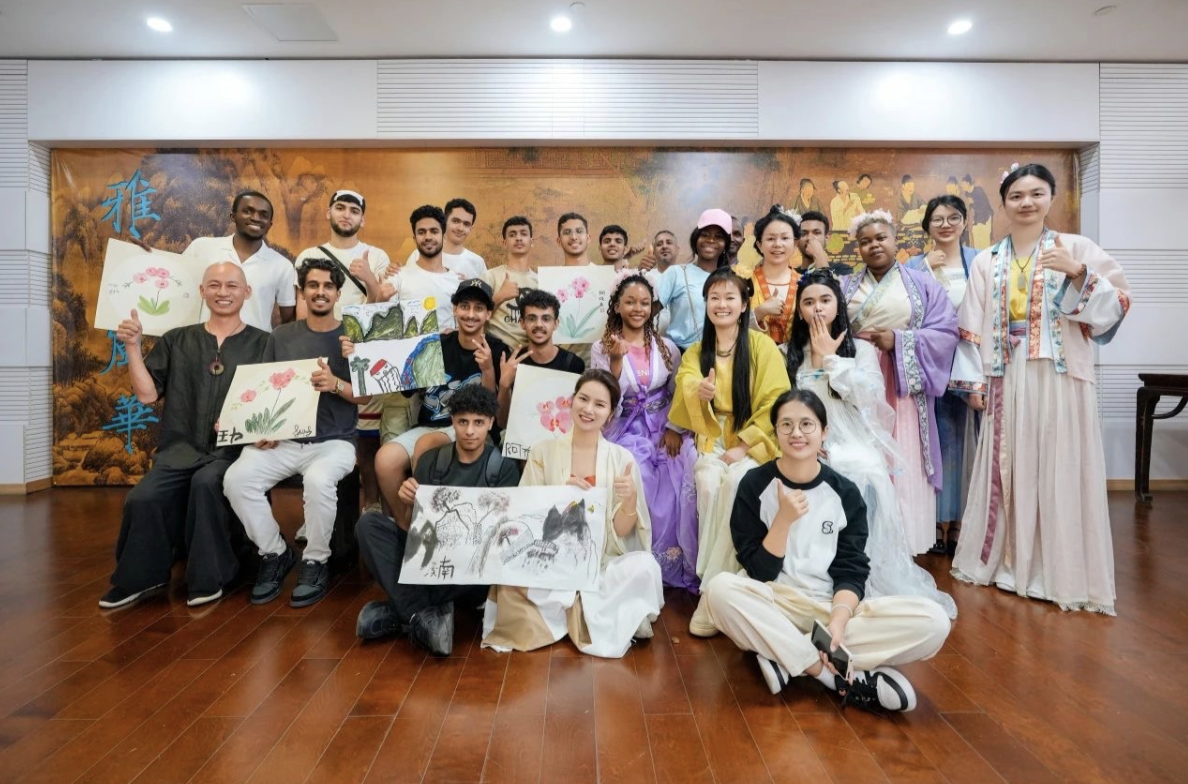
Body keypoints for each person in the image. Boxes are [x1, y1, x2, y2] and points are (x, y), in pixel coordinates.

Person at [950, 163, 1130, 615]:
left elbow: (1116, 305)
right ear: (1003, 203)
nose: (1026, 202)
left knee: (1059, 463)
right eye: (1016, 195)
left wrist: (1078, 273)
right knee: (1012, 465)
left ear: (1050, 197)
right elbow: (971, 325)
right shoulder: (988, 260)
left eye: (1036, 193)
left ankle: (1059, 571)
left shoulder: (1077, 247)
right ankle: (1010, 564)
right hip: (1007, 376)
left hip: (1060, 376)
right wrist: (975, 383)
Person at [701, 389, 951, 712]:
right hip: (774, 603)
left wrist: (838, 623)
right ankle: (830, 675)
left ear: (824, 432)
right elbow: (760, 572)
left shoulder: (846, 493)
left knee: (934, 622)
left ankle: (783, 653)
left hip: (828, 610)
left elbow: (851, 570)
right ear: (776, 432)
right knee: (719, 591)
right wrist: (783, 521)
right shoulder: (753, 484)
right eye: (786, 425)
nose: (796, 433)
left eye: (807, 424)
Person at [785, 270, 957, 618]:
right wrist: (805, 439)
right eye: (808, 302)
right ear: (799, 310)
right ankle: (812, 571)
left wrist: (831, 360)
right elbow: (783, 405)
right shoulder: (788, 353)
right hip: (803, 439)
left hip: (850, 435)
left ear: (838, 305)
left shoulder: (860, 349)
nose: (817, 308)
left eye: (825, 300)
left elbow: (872, 398)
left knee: (861, 468)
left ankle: (859, 570)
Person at [98, 262, 269, 609]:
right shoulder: (177, 339)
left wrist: (258, 429)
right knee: (143, 498)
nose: (223, 292)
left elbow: (276, 398)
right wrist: (133, 347)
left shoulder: (265, 343)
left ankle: (209, 577)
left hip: (233, 452)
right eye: (215, 285)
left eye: (232, 286)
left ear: (247, 292)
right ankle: (141, 578)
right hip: (180, 449)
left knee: (207, 483)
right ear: (202, 291)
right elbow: (147, 394)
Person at [482, 369, 664, 658]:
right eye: (584, 399)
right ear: (572, 400)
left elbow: (621, 532)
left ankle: (586, 608)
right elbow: (526, 515)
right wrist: (561, 497)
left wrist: (629, 501)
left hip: (600, 562)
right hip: (551, 560)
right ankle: (609, 612)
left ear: (610, 415)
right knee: (509, 576)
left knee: (645, 567)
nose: (589, 409)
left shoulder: (622, 458)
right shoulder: (543, 452)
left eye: (599, 404)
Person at [222, 259, 367, 608]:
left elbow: (365, 396)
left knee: (318, 480)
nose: (320, 292)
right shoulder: (281, 336)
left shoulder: (354, 336)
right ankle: (275, 552)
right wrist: (264, 429)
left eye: (328, 286)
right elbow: (264, 389)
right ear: (302, 292)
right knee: (236, 479)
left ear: (338, 293)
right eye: (313, 285)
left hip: (335, 441)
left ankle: (315, 560)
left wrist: (336, 383)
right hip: (285, 439)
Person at [668, 267, 791, 635]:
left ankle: (712, 591)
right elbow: (686, 380)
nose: (721, 304)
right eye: (714, 298)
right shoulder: (697, 351)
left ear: (744, 305)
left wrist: (743, 446)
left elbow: (776, 400)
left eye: (729, 297)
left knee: (737, 483)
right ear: (706, 303)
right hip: (710, 436)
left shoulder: (762, 347)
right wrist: (699, 392)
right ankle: (720, 582)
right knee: (707, 483)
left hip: (753, 437)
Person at [355, 385, 521, 655]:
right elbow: (413, 527)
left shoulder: (503, 468)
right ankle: (421, 616)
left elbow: (501, 541)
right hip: (430, 557)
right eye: (463, 422)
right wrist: (408, 500)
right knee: (368, 525)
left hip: (472, 569)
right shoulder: (432, 461)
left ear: (491, 423)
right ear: (452, 421)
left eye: (478, 423)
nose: (470, 431)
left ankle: (402, 612)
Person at [841, 211, 958, 556]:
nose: (874, 245)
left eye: (881, 238)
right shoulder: (844, 286)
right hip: (859, 378)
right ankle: (864, 542)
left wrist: (900, 340)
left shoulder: (923, 284)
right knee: (863, 454)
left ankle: (904, 542)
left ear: (895, 241)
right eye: (865, 241)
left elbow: (946, 331)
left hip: (903, 381)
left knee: (902, 453)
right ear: (858, 248)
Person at [365, 278, 509, 527]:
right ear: (454, 309)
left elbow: (495, 413)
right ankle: (407, 528)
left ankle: (428, 526)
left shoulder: (498, 350)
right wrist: (380, 355)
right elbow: (408, 389)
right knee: (385, 460)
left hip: (468, 427)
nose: (470, 314)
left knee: (426, 445)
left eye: (478, 308)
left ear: (488, 314)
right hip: (429, 424)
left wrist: (488, 369)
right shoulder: (436, 344)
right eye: (464, 306)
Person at [592, 274, 697, 592]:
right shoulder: (602, 347)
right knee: (638, 475)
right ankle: (637, 562)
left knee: (684, 466)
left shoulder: (667, 347)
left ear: (652, 307)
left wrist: (675, 428)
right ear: (617, 306)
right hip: (625, 426)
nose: (637, 308)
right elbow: (603, 395)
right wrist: (616, 361)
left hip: (665, 424)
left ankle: (673, 561)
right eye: (630, 302)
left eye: (644, 302)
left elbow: (678, 391)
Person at [293, 189, 392, 513]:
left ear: (362, 219)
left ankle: (370, 506)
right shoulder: (308, 255)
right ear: (329, 213)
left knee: (366, 439)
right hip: (320, 353)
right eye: (340, 207)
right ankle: (317, 512)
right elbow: (301, 309)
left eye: (353, 210)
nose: (346, 214)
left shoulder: (376, 255)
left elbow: (380, 311)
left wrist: (369, 279)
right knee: (318, 436)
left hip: (359, 353)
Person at [906, 196, 980, 555]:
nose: (946, 224)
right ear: (927, 226)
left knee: (968, 442)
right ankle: (933, 520)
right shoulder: (913, 265)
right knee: (933, 440)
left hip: (970, 361)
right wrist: (924, 270)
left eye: (953, 217)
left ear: (965, 222)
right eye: (937, 219)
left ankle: (963, 521)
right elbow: (905, 309)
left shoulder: (979, 261)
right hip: (928, 363)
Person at [376, 205, 465, 455]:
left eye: (434, 231)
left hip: (444, 383)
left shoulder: (458, 282)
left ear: (443, 234)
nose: (428, 237)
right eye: (422, 232)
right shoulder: (397, 277)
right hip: (402, 385)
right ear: (414, 236)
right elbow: (378, 328)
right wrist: (380, 300)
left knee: (432, 458)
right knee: (392, 452)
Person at [182, 191, 296, 332]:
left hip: (257, 345)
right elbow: (175, 287)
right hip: (202, 342)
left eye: (263, 215)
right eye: (248, 211)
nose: (256, 218)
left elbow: (288, 319)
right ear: (233, 216)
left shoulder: (282, 266)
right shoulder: (201, 247)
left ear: (270, 224)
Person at [496, 288, 585, 426]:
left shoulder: (573, 364)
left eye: (546, 319)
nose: (538, 324)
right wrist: (504, 385)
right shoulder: (512, 364)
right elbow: (502, 422)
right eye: (532, 318)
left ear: (556, 324)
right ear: (522, 323)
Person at [655, 208, 732, 351]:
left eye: (718, 236)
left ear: (726, 244)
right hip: (679, 355)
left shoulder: (731, 280)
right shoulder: (676, 273)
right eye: (705, 234)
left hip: (720, 356)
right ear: (696, 238)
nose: (711, 240)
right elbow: (646, 312)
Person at [745, 206, 800, 345]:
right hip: (752, 355)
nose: (777, 244)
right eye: (770, 239)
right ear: (759, 245)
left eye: (785, 238)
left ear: (795, 244)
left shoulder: (804, 283)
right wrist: (760, 312)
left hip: (795, 357)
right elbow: (730, 326)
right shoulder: (743, 281)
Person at [484, 215, 536, 349]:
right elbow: (475, 318)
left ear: (531, 241)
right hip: (496, 351)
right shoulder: (490, 276)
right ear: (504, 243)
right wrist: (500, 297)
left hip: (532, 353)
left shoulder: (540, 281)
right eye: (512, 234)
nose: (518, 238)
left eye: (523, 234)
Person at [404, 197, 486, 279]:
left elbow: (485, 287)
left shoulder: (477, 262)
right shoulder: (418, 256)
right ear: (444, 222)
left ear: (471, 228)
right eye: (455, 221)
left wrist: (468, 285)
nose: (460, 228)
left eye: (466, 224)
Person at [797, 211, 854, 276]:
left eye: (816, 233)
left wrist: (818, 255)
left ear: (826, 238)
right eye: (803, 233)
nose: (810, 238)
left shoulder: (842, 270)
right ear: (797, 241)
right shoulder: (791, 275)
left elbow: (827, 282)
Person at [961, 174, 994, 249]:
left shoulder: (978, 190)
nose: (962, 187)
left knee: (984, 243)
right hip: (977, 219)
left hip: (985, 218)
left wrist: (973, 202)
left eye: (963, 184)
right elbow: (971, 208)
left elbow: (984, 206)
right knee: (976, 242)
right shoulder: (967, 193)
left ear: (968, 183)